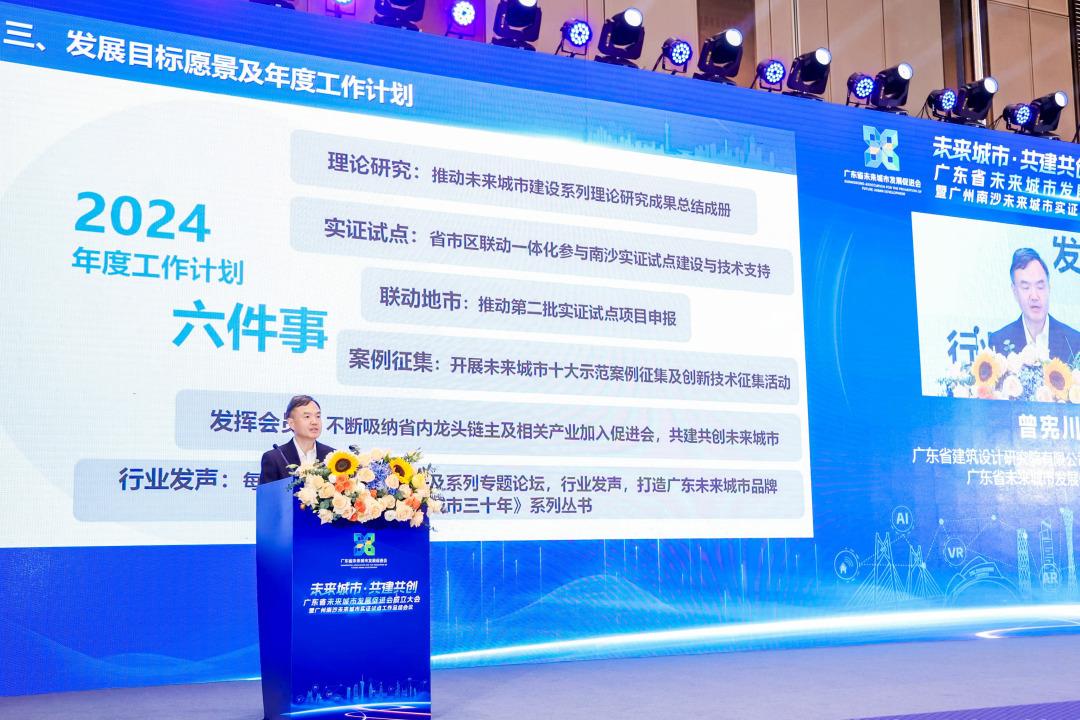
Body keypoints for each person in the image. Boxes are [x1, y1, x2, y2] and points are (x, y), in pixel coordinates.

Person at [988, 247, 1080, 363]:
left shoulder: (1074, 341)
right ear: (1015, 291)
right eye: (1026, 287)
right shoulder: (998, 343)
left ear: (1049, 288)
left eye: (1040, 286)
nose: (1034, 296)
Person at [259, 394, 335, 484]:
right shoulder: (275, 458)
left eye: (318, 416)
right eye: (307, 417)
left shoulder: (332, 456)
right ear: (291, 423)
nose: (314, 422)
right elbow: (268, 492)